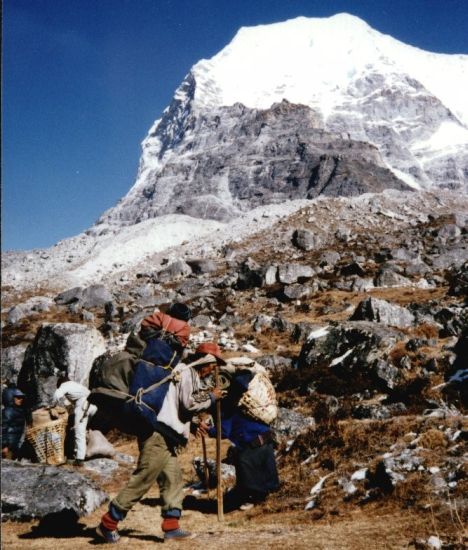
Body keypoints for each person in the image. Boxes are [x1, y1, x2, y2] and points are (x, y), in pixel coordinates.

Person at [96, 342, 226, 543]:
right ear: (207, 361)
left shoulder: (183, 372)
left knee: (173, 480)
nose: (213, 369)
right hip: (158, 436)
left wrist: (191, 426)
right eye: (214, 364)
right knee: (144, 478)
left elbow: (175, 406)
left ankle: (171, 527)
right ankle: (108, 523)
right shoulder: (188, 373)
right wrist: (211, 397)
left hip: (164, 435)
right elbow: (188, 403)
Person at [201, 368, 279, 511]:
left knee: (246, 467)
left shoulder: (226, 407)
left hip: (250, 446)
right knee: (268, 480)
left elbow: (223, 431)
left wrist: (208, 430)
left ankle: (252, 497)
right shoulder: (243, 397)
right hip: (266, 440)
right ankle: (267, 497)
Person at [52, 377, 97, 466]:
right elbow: (69, 402)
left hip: (83, 406)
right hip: (93, 406)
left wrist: (53, 406)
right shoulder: (76, 385)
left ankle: (80, 459)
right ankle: (81, 452)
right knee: (83, 431)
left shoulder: (64, 386)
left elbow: (57, 395)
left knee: (79, 433)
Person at [2, 387, 27, 460]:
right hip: (8, 447)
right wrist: (4, 446)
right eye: (18, 398)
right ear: (10, 397)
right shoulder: (8, 411)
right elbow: (3, 428)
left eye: (22, 397)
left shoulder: (17, 410)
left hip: (14, 445)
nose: (21, 399)